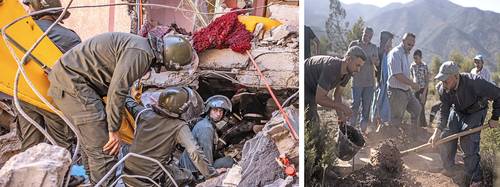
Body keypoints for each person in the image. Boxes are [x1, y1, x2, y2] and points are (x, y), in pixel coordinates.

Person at [47, 31, 195, 185]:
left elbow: (120, 91)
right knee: (105, 148)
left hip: (71, 82)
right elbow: (117, 90)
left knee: (91, 146)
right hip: (74, 84)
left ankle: (95, 182)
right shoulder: (141, 55)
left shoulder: (141, 47)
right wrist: (113, 130)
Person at [123, 87, 224, 186]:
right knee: (188, 176)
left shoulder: (144, 113)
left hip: (126, 173)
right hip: (150, 180)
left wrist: (119, 86)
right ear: (182, 108)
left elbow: (128, 102)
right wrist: (212, 175)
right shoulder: (179, 126)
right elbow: (194, 151)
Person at [17, 0, 81, 152]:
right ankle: (63, 175)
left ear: (37, 8)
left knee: (29, 148)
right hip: (55, 98)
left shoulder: (19, 32)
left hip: (25, 95)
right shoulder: (70, 38)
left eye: (30, 6)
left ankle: (29, 175)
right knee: (60, 148)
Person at [428, 61, 499, 187]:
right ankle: (450, 168)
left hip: (476, 111)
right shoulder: (442, 88)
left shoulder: (475, 82)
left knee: (468, 142)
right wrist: (436, 132)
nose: (443, 84)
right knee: (444, 137)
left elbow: (498, 95)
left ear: (456, 76)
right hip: (457, 111)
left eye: (446, 80)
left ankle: (476, 178)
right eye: (442, 80)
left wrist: (495, 117)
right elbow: (444, 111)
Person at [304, 46, 366, 179]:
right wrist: (342, 107)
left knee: (314, 125)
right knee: (313, 125)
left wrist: (340, 116)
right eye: (357, 65)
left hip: (314, 89)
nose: (358, 69)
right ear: (348, 59)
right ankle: (316, 171)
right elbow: (320, 99)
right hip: (305, 84)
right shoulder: (332, 67)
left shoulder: (348, 73)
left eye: (360, 66)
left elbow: (337, 95)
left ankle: (320, 165)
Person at [179, 95, 235, 175]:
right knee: (229, 161)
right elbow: (207, 158)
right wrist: (213, 173)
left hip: (190, 165)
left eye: (221, 111)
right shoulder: (206, 128)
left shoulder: (206, 123)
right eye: (215, 110)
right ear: (209, 110)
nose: (218, 114)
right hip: (193, 170)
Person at [386, 32, 421, 137]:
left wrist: (411, 83)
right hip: (396, 91)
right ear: (403, 41)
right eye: (409, 44)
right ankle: (392, 143)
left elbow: (404, 73)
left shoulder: (405, 54)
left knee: (417, 109)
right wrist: (412, 84)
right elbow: (397, 75)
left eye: (412, 45)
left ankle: (413, 136)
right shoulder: (395, 53)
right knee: (396, 118)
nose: (410, 47)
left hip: (406, 90)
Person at [348, 27, 379, 134]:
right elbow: (347, 58)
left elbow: (377, 63)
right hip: (357, 80)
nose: (367, 37)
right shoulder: (354, 44)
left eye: (370, 35)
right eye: (366, 34)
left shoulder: (374, 47)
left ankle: (362, 131)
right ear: (362, 33)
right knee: (355, 105)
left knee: (366, 107)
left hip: (369, 82)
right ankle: (350, 128)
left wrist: (375, 61)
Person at [371, 31, 393, 128]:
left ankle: (381, 125)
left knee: (384, 104)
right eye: (389, 41)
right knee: (377, 104)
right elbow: (375, 67)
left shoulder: (388, 54)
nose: (391, 44)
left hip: (386, 84)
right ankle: (373, 124)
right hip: (379, 83)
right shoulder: (378, 52)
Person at [409, 49, 429, 127]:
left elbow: (427, 80)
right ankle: (415, 125)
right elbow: (412, 77)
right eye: (414, 58)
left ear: (421, 57)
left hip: (423, 89)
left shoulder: (424, 66)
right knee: (414, 107)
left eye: (417, 58)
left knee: (421, 107)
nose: (415, 60)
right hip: (415, 89)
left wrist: (424, 93)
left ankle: (423, 125)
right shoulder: (412, 66)